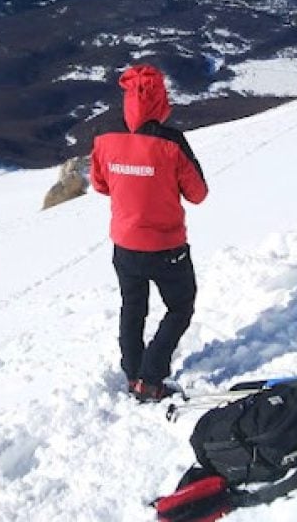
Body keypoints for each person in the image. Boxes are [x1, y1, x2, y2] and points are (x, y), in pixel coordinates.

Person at [91, 64, 208, 402]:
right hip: (166, 245)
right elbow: (198, 193)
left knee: (133, 307)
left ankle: (132, 372)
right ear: (161, 98)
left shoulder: (104, 135)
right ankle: (151, 377)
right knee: (180, 306)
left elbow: (100, 184)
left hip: (125, 243)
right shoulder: (171, 142)